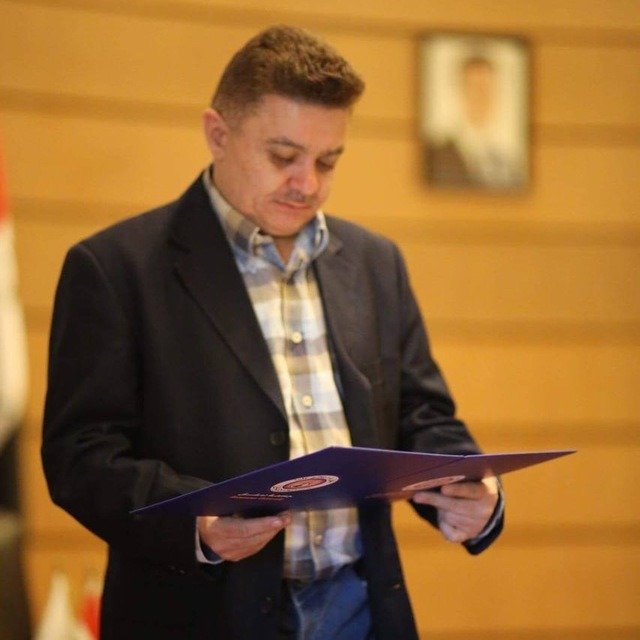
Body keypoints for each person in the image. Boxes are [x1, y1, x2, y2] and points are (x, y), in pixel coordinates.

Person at [42, 25, 503, 640]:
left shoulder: (376, 262)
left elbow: (423, 415)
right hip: (200, 614)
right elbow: (81, 456)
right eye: (284, 157)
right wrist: (195, 523)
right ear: (218, 134)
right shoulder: (115, 268)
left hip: (361, 608)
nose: (308, 183)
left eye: (327, 161)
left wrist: (469, 487)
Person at [427, 54, 525, 189]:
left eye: (487, 89)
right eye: (475, 88)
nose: (482, 97)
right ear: (460, 93)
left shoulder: (506, 164)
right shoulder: (436, 155)